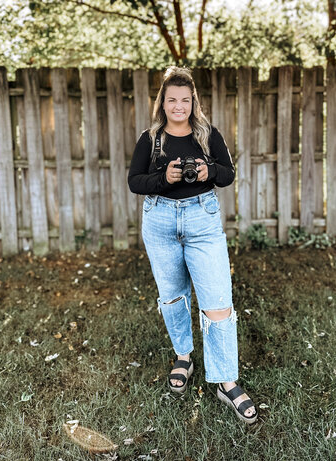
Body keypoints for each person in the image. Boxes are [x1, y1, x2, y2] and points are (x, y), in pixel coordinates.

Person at [128, 66, 257, 424]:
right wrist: (163, 177)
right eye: (172, 100)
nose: (178, 106)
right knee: (172, 295)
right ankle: (184, 356)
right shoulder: (150, 139)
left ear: (193, 102)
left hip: (202, 220)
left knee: (218, 300)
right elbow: (135, 181)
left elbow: (228, 174)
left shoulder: (207, 134)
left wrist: (207, 171)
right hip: (160, 221)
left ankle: (226, 381)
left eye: (185, 100)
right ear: (162, 103)